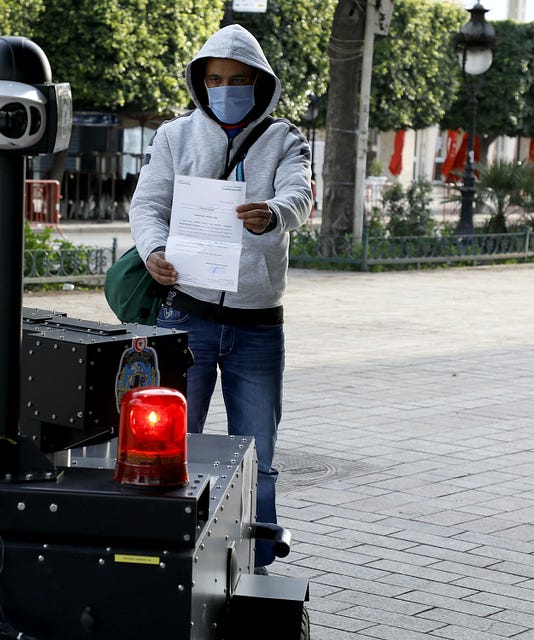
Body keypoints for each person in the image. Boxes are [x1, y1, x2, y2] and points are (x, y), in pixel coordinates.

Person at [128, 24, 312, 570]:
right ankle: (164, 558)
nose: (225, 88)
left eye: (236, 79)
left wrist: (274, 214)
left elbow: (299, 195)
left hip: (258, 327)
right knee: (169, 450)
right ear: (199, 82)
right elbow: (147, 206)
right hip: (185, 317)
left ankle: (254, 567)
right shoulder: (173, 137)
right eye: (214, 79)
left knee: (260, 456)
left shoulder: (285, 139)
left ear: (258, 83)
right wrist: (154, 250)